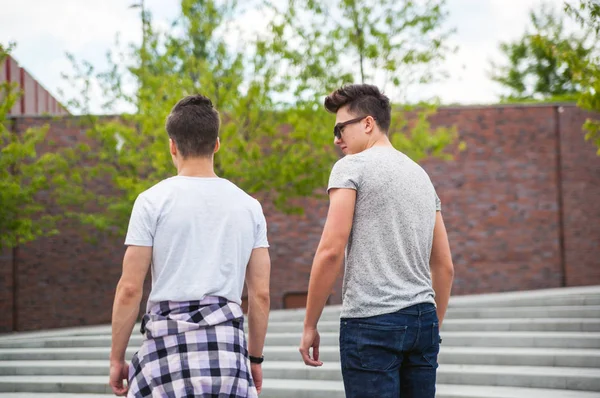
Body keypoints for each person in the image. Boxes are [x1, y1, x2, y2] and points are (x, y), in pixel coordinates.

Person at [108, 94, 271, 397]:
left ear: (172, 145)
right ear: (217, 144)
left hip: (164, 353)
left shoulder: (150, 202)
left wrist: (116, 358)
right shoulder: (249, 207)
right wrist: (255, 358)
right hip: (228, 354)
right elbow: (260, 294)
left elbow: (130, 289)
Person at [299, 84, 454, 398]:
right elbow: (445, 265)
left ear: (367, 123)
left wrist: (309, 324)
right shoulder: (421, 175)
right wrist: (430, 326)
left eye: (340, 128)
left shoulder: (351, 167)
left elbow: (330, 251)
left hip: (371, 323)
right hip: (423, 318)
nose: (336, 139)